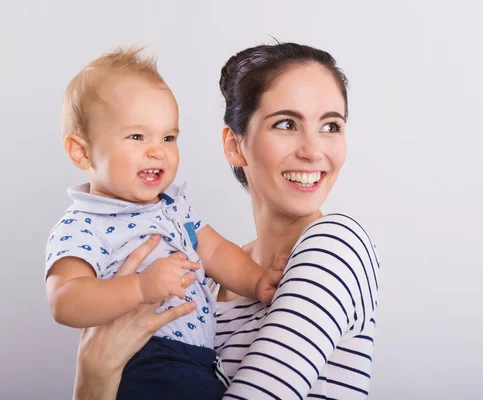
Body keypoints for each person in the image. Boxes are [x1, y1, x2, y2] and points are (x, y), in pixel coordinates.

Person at [73, 42, 380, 399]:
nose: (313, 151)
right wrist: (92, 380)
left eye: (331, 126)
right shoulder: (200, 276)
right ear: (234, 145)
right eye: (286, 124)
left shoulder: (335, 245)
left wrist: (96, 374)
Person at [45, 47, 282, 400]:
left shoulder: (174, 205)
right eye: (137, 137)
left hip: (200, 359)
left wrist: (257, 280)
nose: (158, 151)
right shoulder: (83, 223)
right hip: (143, 358)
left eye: (168, 137)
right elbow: (64, 300)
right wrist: (140, 289)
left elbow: (214, 249)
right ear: (82, 152)